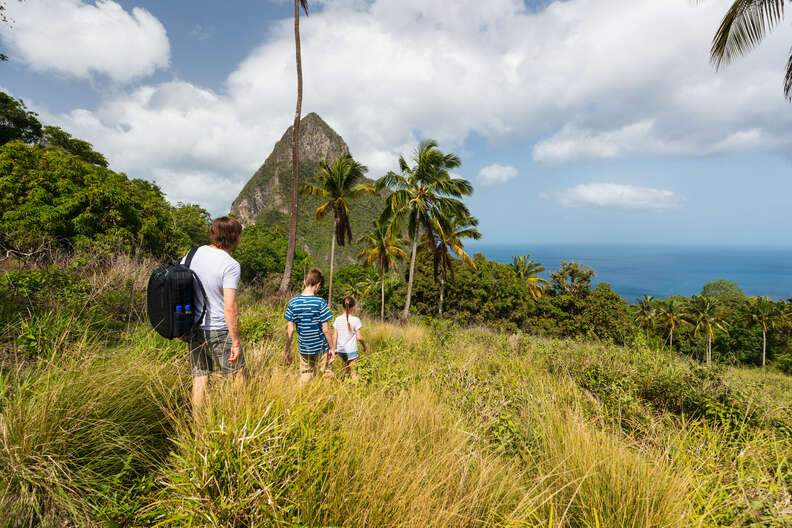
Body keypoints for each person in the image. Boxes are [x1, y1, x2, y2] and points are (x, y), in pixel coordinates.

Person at [182, 216, 245, 411]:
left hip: (193, 327)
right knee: (238, 374)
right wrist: (235, 342)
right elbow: (229, 306)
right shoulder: (230, 265)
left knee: (200, 377)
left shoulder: (192, 254)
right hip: (218, 328)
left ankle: (198, 427)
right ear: (233, 238)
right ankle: (238, 417)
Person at [284, 268, 334, 383]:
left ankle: (301, 397)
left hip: (304, 347)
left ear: (304, 282)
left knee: (306, 375)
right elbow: (325, 329)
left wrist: (287, 350)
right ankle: (327, 399)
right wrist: (331, 347)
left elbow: (290, 330)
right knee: (327, 375)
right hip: (320, 347)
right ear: (318, 285)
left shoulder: (293, 303)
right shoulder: (320, 302)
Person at [332, 296, 366, 379]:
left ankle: (343, 383)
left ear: (342, 306)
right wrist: (364, 346)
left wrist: (334, 349)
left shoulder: (337, 319)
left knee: (345, 369)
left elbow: (334, 336)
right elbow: (359, 338)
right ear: (353, 307)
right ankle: (354, 389)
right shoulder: (356, 320)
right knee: (353, 373)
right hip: (352, 350)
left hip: (341, 350)